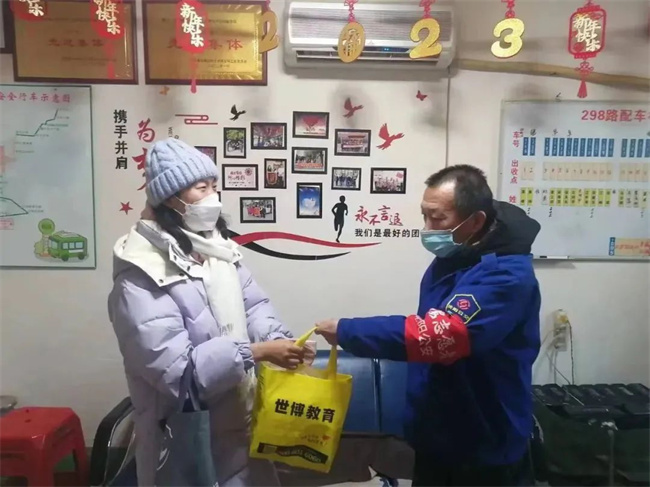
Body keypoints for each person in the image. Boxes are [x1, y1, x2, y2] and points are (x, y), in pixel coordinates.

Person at [315, 165, 541, 486]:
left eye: (437, 218)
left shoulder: (506, 276)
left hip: (484, 437)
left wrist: (347, 330)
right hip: (438, 431)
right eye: (424, 216)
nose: (427, 228)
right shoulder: (456, 256)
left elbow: (440, 335)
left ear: (476, 221)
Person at [108, 138, 310, 486]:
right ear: (170, 199)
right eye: (202, 188)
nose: (213, 197)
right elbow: (178, 374)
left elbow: (254, 306)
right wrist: (256, 352)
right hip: (187, 436)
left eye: (214, 186)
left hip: (240, 422)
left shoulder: (217, 249)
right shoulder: (140, 275)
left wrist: (277, 339)